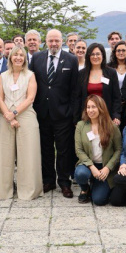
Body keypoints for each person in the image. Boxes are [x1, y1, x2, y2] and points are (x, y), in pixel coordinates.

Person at [30, 29, 80, 198]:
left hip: (63, 114)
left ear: (62, 42)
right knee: (45, 149)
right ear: (45, 41)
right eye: (50, 40)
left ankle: (64, 182)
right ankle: (48, 180)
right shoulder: (36, 58)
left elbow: (75, 90)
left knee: (63, 150)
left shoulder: (71, 60)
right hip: (42, 113)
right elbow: (31, 84)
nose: (53, 44)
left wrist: (73, 114)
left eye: (57, 41)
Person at [0, 45, 43, 200]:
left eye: (21, 55)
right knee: (4, 155)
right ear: (10, 57)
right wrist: (7, 114)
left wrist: (14, 114)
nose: (18, 57)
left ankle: (28, 190)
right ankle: (3, 190)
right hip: (4, 116)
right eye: (15, 55)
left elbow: (30, 98)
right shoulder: (3, 76)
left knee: (27, 154)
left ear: (25, 58)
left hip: (25, 116)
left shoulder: (30, 75)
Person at [74, 96, 122, 205]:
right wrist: (91, 167)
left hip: (104, 167)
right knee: (81, 173)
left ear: (101, 108)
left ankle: (96, 184)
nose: (90, 110)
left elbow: (118, 150)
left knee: (99, 200)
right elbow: (79, 150)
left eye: (93, 107)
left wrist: (108, 168)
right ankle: (85, 189)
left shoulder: (112, 126)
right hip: (88, 165)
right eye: (88, 107)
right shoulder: (81, 126)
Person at [76, 43, 122, 125]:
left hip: (107, 116)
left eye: (98, 54)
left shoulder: (111, 73)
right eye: (92, 54)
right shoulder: (81, 74)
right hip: (87, 116)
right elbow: (77, 98)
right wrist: (76, 119)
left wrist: (116, 115)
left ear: (103, 55)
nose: (95, 57)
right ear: (88, 56)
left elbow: (116, 97)